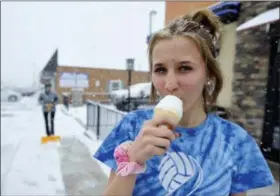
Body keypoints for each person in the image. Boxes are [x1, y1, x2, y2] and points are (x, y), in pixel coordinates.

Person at [93, 9, 274, 196]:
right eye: (160, 69)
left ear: (209, 74)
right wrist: (132, 159)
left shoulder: (235, 141)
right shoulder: (131, 127)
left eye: (184, 68)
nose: (170, 84)